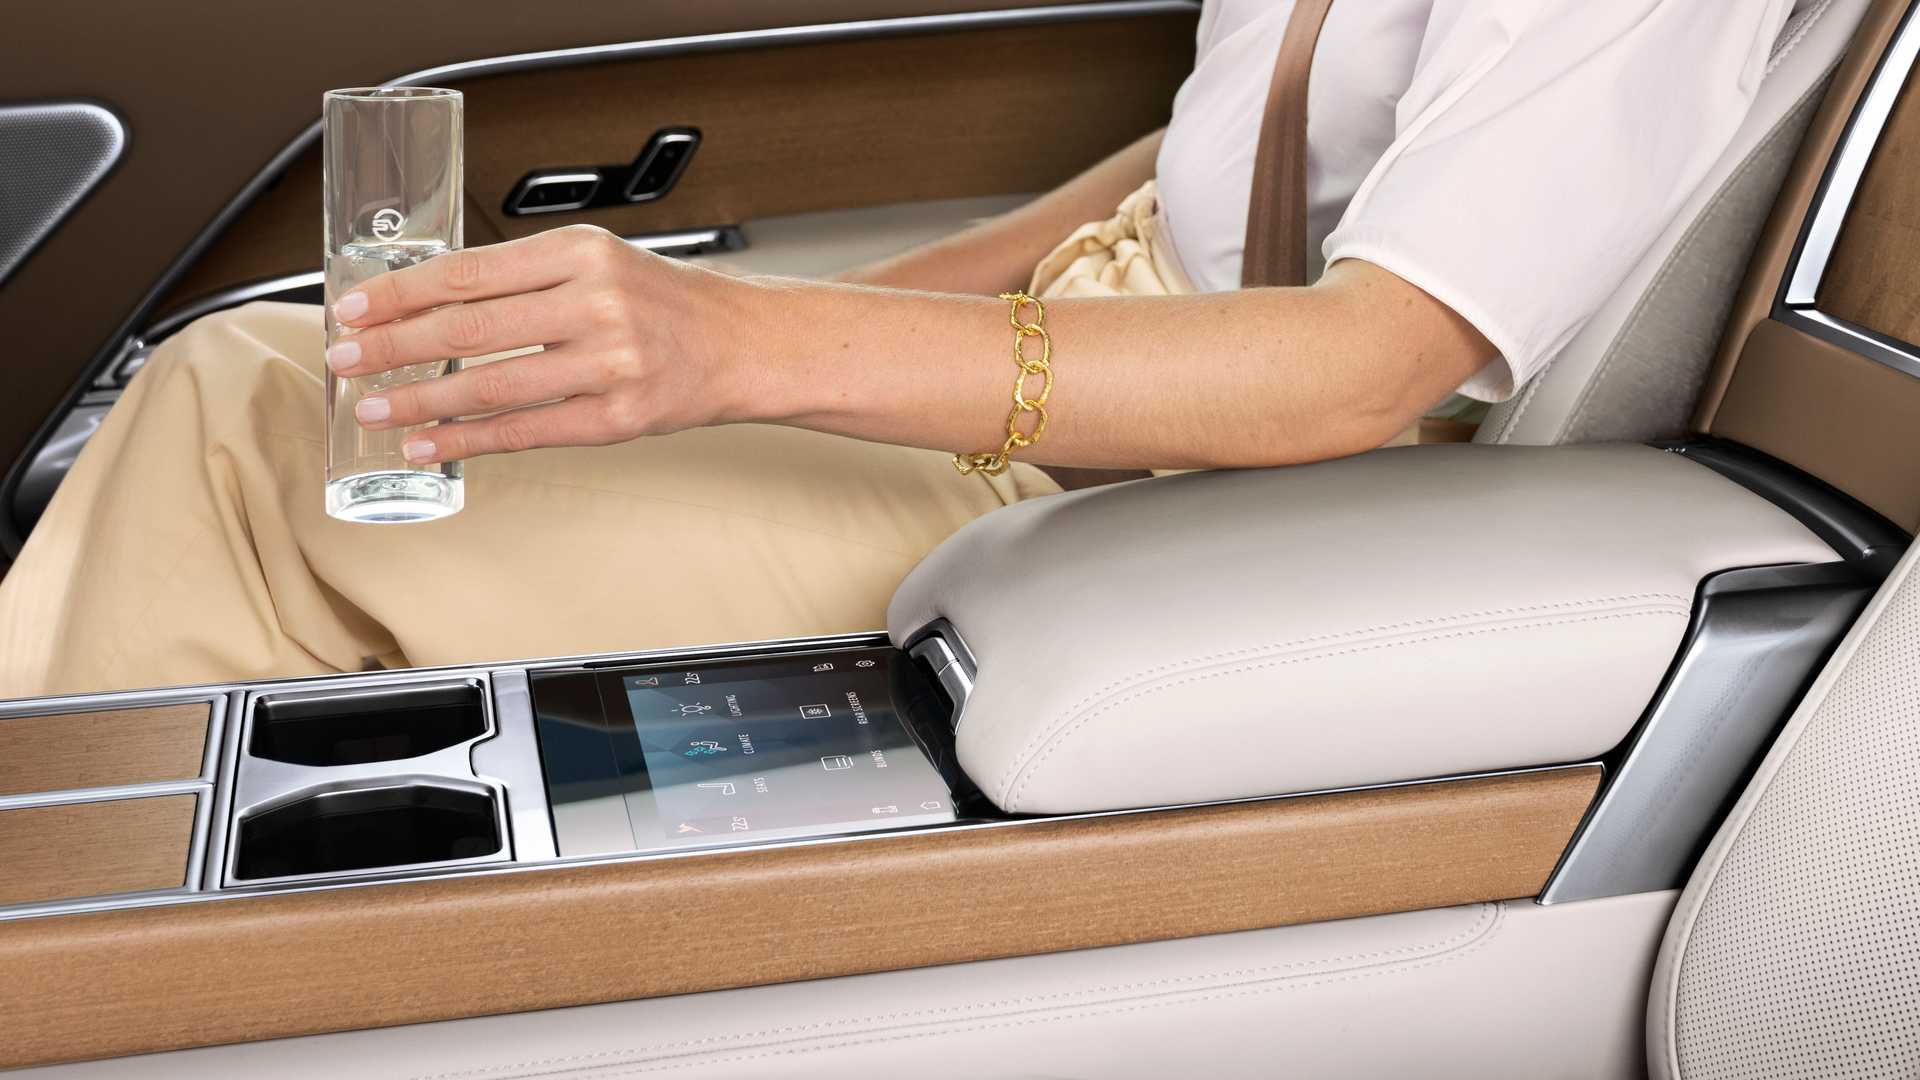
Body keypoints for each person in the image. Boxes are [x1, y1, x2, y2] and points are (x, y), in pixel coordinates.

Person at [0, 0, 1810, 697]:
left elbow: (1361, 365)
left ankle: (89, 948)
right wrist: (841, 313)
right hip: (1063, 380)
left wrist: (752, 346)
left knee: (249, 428)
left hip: (1164, 486)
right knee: (283, 384)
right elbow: (1190, 164)